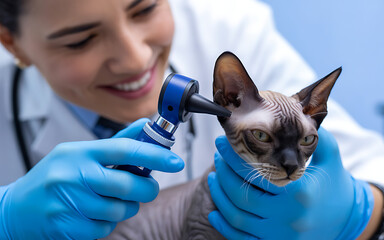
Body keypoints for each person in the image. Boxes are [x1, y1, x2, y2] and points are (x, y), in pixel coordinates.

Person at [1, 0, 384, 239]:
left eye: (145, 8)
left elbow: (374, 165)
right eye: (79, 40)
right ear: (11, 42)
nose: (135, 60)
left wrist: (358, 214)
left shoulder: (228, 26)